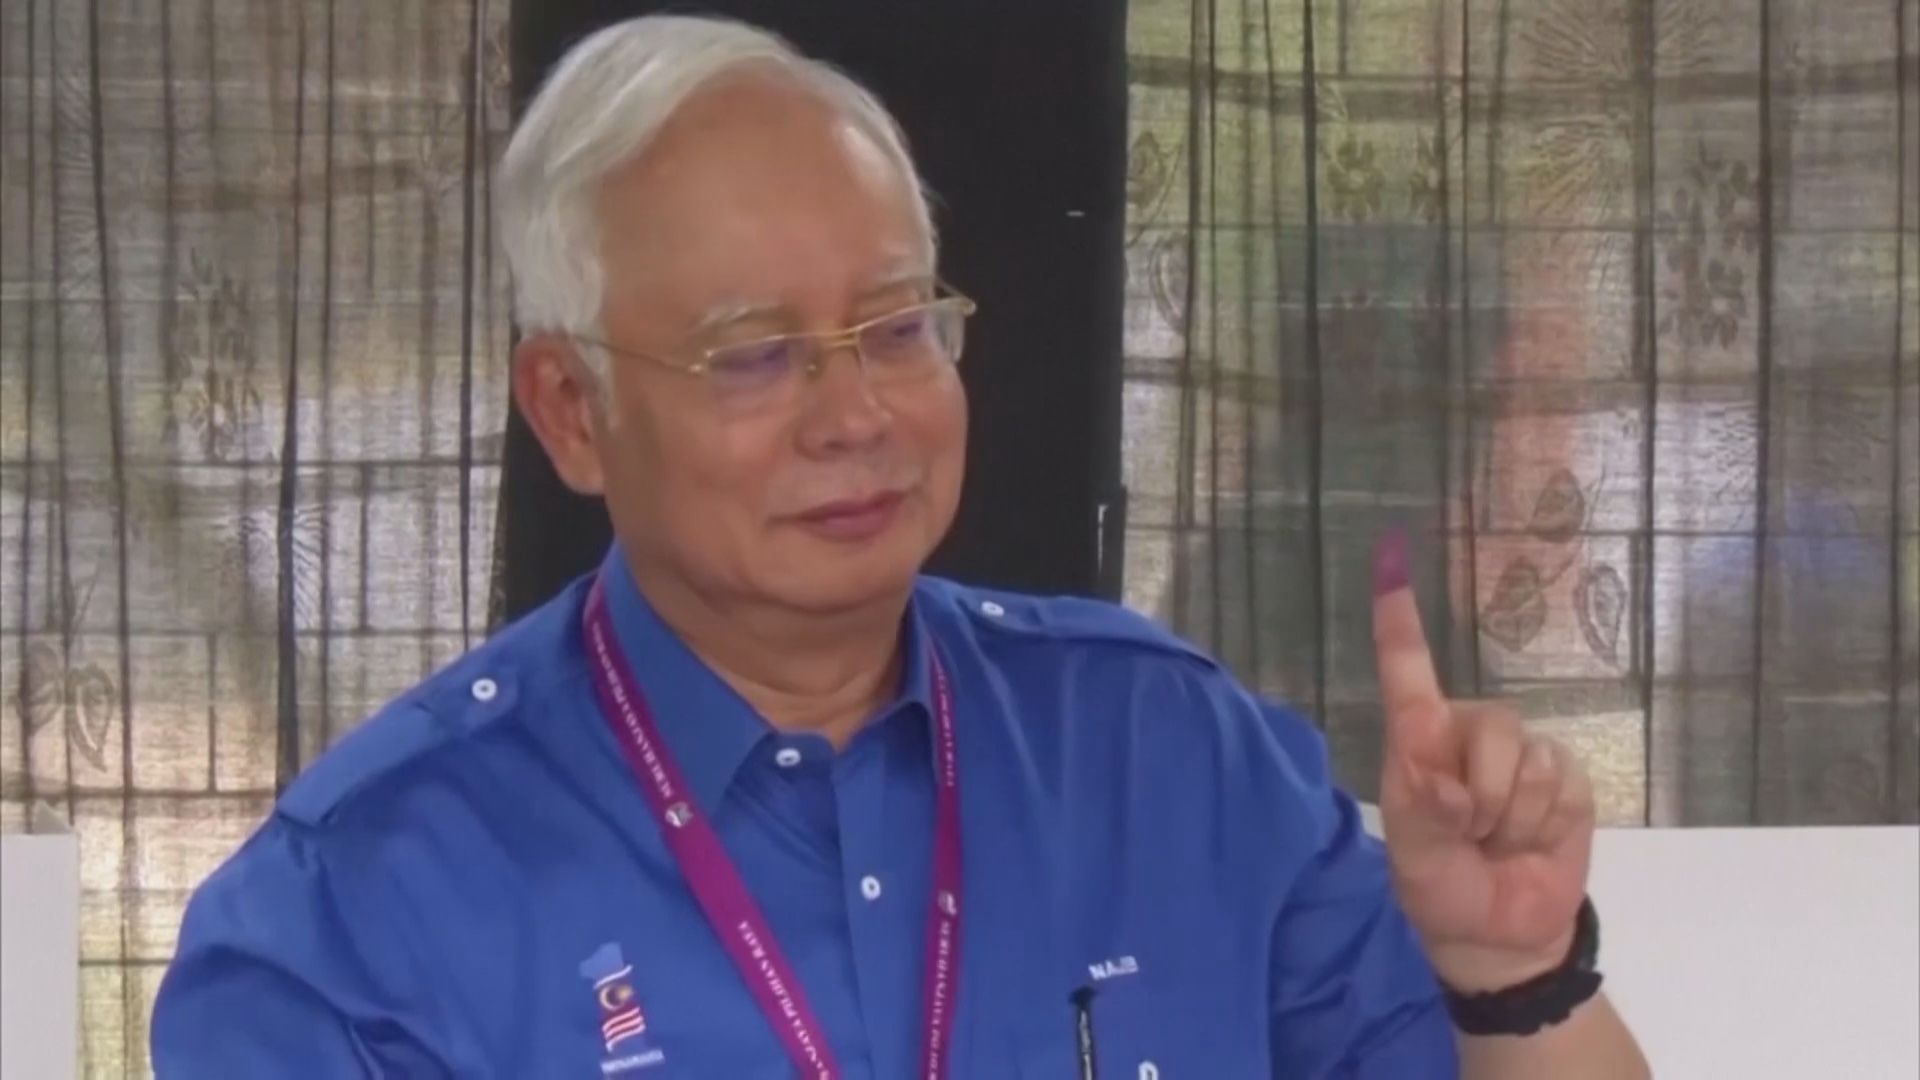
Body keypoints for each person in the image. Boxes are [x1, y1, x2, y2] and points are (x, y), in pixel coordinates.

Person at [151, 15, 1650, 1079]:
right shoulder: (357, 913)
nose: (856, 414)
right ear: (572, 410)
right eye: (754, 356)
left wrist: (1515, 980)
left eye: (895, 328)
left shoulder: (1169, 759)